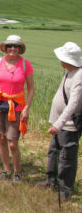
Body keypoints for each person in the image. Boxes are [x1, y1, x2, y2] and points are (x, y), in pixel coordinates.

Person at [0, 35, 34, 183]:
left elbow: (31, 89)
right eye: (9, 46)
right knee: (1, 138)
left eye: (16, 46)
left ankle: (17, 173)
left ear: (20, 49)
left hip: (16, 106)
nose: (12, 49)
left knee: (12, 142)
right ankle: (6, 170)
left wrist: (26, 108)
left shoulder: (25, 64)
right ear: (5, 49)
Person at [37, 42, 82, 200]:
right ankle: (51, 181)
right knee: (53, 153)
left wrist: (59, 124)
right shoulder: (70, 71)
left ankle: (65, 191)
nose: (60, 60)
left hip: (68, 126)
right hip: (59, 124)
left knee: (67, 158)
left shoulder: (79, 76)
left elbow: (73, 105)